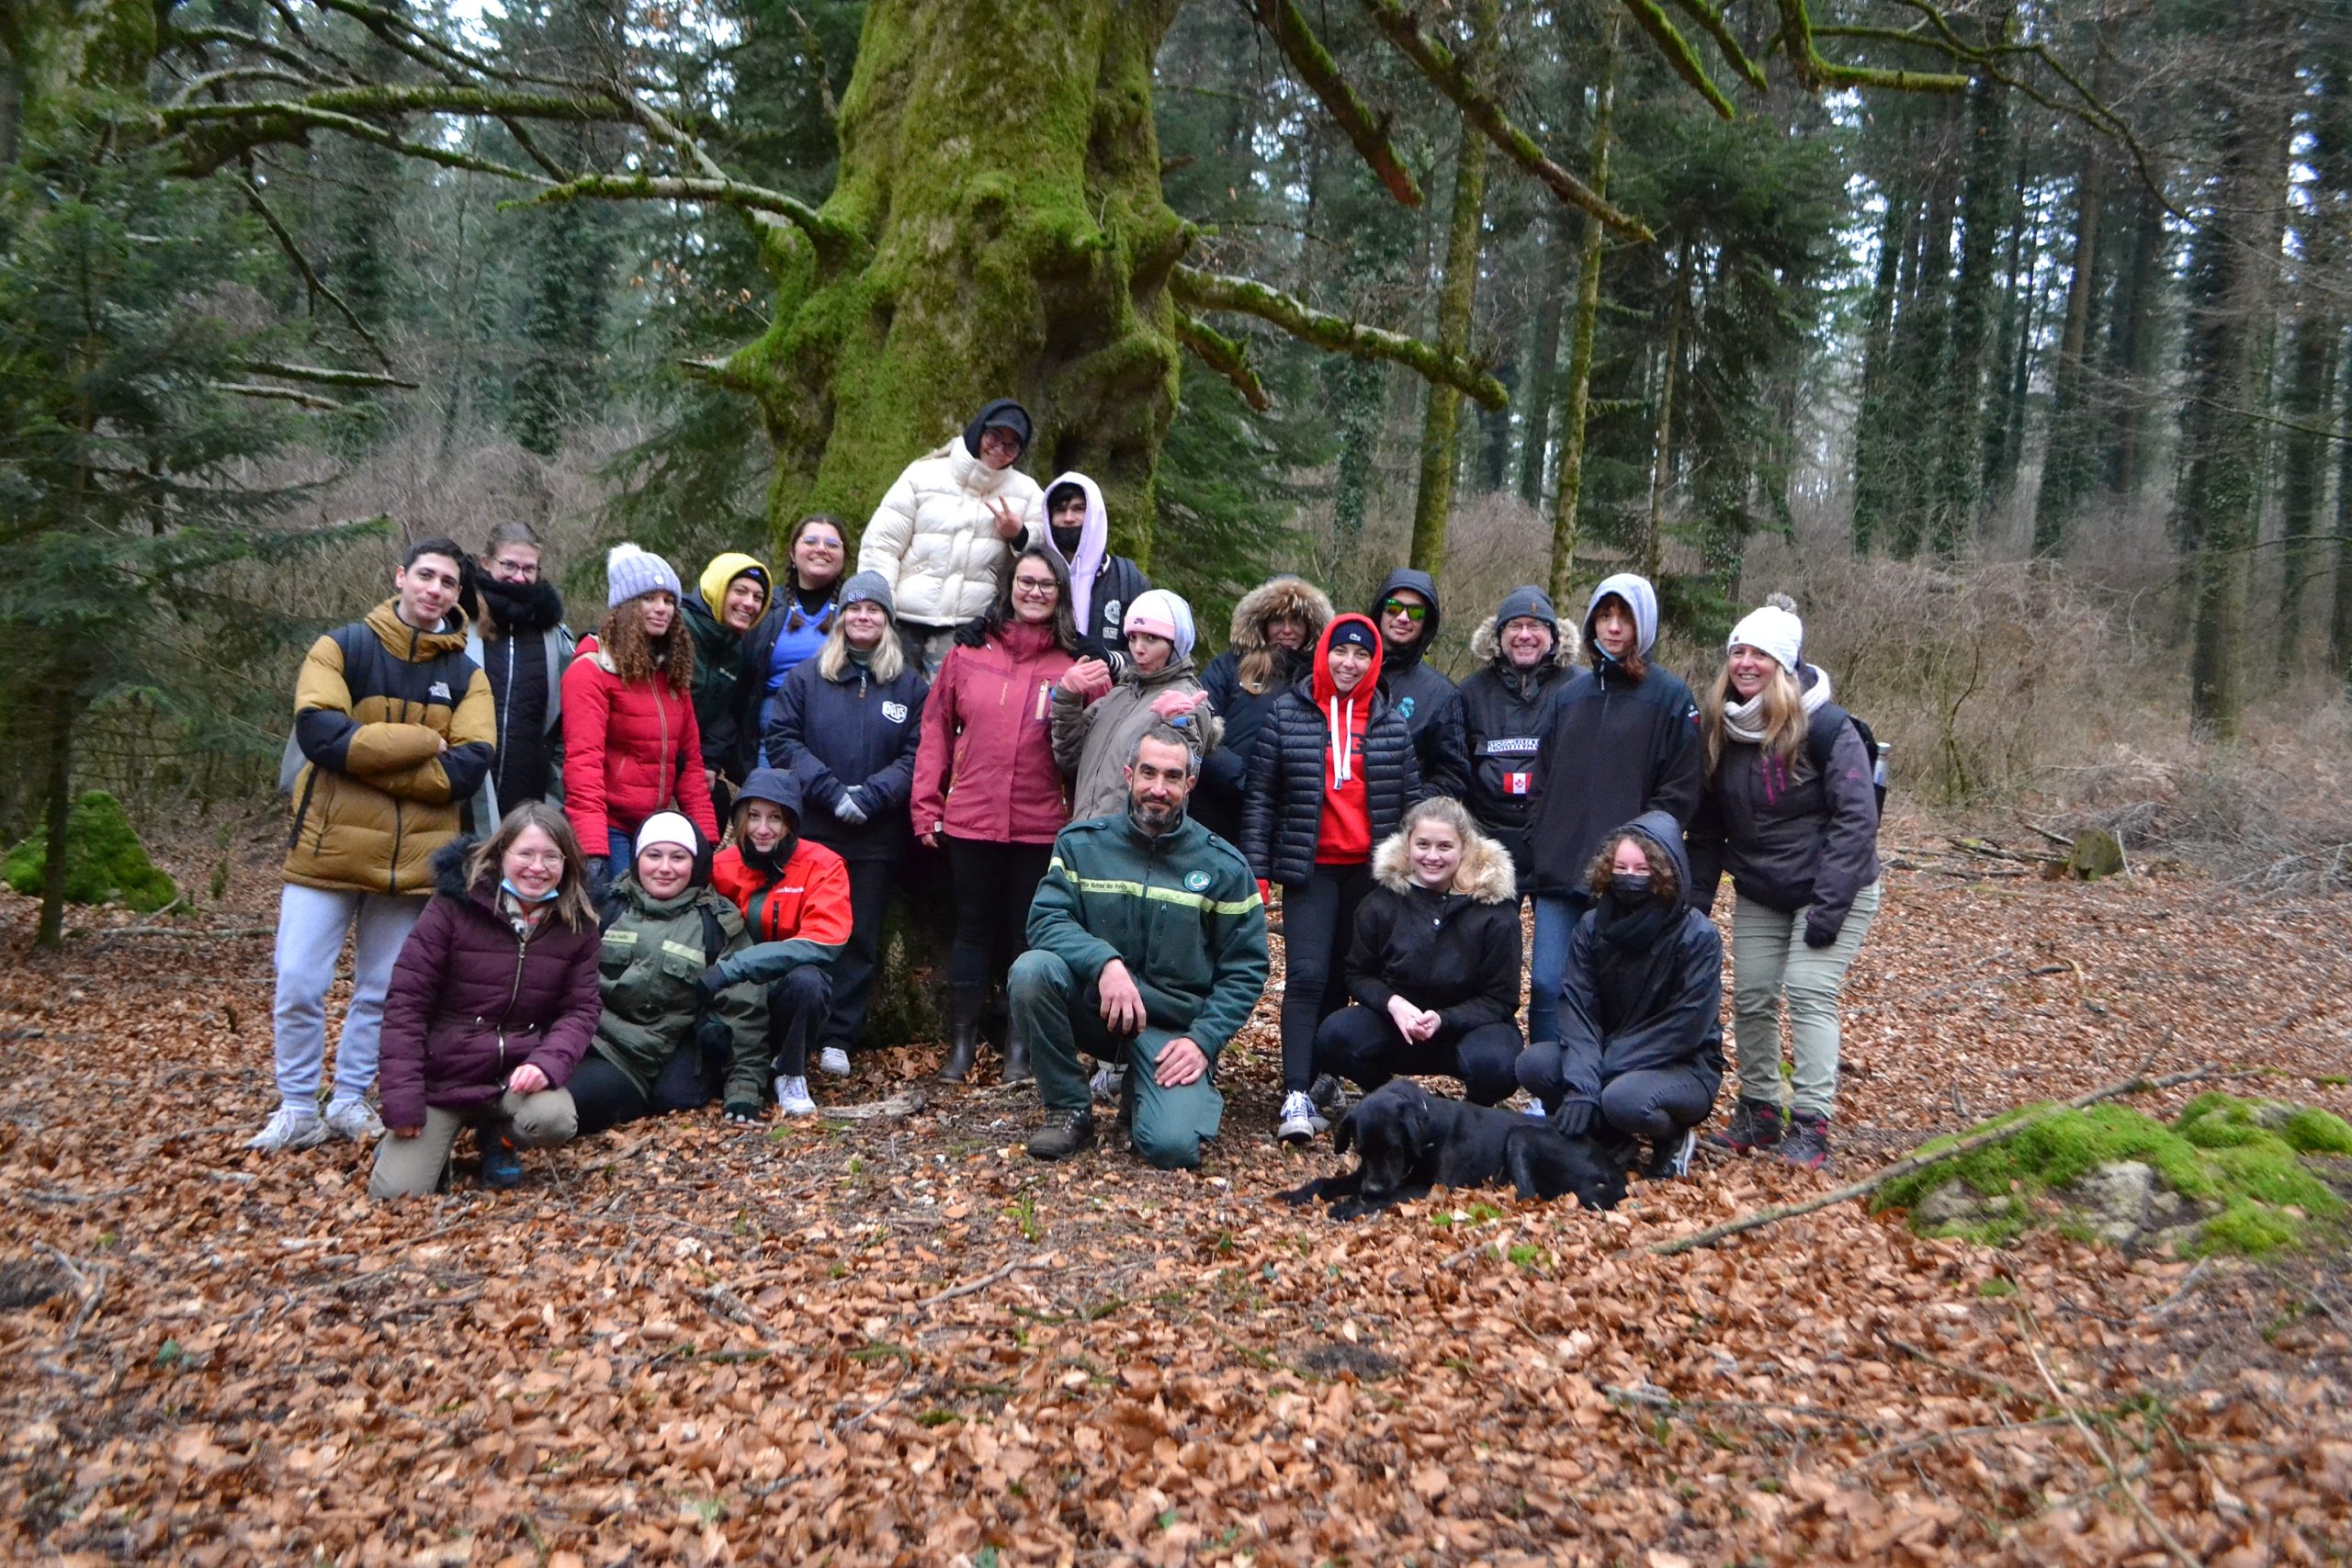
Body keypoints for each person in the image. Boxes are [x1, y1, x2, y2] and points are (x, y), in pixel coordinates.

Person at [250, 536, 496, 1153]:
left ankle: (351, 1098)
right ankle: (299, 1105)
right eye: (426, 575)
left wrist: (366, 752)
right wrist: (420, 744)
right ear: (401, 577)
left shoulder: (469, 675)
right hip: (325, 850)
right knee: (300, 980)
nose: (435, 589)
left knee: (383, 989)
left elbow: (468, 767)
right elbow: (320, 734)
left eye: (448, 583)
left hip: (414, 863)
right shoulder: (342, 646)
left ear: (458, 595)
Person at [1016, 725, 1269, 1168]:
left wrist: (1204, 1041)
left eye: (1172, 777)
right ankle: (1069, 1109)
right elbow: (1046, 920)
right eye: (1148, 773)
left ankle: (1145, 1090)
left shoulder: (1224, 866)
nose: (1158, 788)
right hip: (1098, 1007)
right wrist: (1104, 963)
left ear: (1190, 784)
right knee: (1031, 971)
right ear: (1128, 774)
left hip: (1172, 1028)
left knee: (1171, 1149)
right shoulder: (1081, 844)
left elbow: (1246, 969)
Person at [1689, 595, 1882, 1172]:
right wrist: (1697, 903)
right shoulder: (1722, 726)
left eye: (1760, 655)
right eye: (1738, 652)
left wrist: (1827, 909)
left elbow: (1857, 818)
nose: (1746, 663)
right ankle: (1759, 1111)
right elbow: (1707, 827)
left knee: (1808, 989)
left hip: (1835, 886)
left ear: (1786, 665)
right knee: (1750, 995)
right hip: (1763, 887)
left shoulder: (1825, 724)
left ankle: (1812, 1123)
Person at [1242, 614, 1421, 1144]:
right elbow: (1261, 798)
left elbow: (1412, 805)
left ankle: (1325, 1076)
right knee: (1306, 975)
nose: (1349, 663)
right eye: (1340, 652)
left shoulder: (1390, 724)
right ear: (1324, 654)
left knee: (1346, 979)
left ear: (1374, 662)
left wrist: (1417, 873)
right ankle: (1295, 1091)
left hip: (1370, 874)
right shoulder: (1287, 715)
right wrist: (1258, 869)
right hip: (1310, 867)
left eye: (1361, 655)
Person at [910, 544, 1082, 1083]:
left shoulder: (1073, 666)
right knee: (973, 930)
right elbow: (935, 731)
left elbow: (1084, 750)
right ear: (1010, 587)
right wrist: (926, 805)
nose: (1034, 592)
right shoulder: (968, 654)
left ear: (1060, 595)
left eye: (1046, 585)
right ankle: (960, 1047)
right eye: (1026, 582)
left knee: (1025, 935)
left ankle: (1019, 1049)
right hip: (973, 817)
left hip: (1039, 824)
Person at [369, 804, 602, 1197]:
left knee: (555, 1119)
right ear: (501, 853)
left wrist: (546, 1063)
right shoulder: (451, 907)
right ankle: (422, 1147)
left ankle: (500, 1140)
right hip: (443, 1077)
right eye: (525, 854)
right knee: (395, 1194)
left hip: (513, 1078)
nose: (537, 867)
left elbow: (581, 1009)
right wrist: (402, 1099)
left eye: (551, 857)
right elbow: (406, 1005)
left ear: (567, 863)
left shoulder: (577, 922)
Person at [1522, 572, 1702, 1051]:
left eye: (1624, 617)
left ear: (1643, 625)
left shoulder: (1670, 697)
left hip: (1628, 879)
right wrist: (1541, 835)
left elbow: (1680, 791)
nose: (1614, 628)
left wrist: (1644, 855)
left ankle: (1603, 1091)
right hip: (1560, 869)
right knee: (1547, 984)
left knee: (1612, 992)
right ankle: (1548, 1095)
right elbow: (1541, 777)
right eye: (1605, 615)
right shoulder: (1569, 695)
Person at [763, 571, 928, 1075]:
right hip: (815, 829)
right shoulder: (809, 677)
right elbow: (783, 739)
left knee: (860, 937)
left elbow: (919, 752)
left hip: (876, 836)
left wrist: (874, 796)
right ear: (841, 617)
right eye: (855, 608)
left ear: (887, 620)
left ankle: (839, 1036)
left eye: (874, 610)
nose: (863, 617)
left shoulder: (909, 685)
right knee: (805, 928)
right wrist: (830, 792)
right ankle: (794, 1030)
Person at [1517, 811, 1724, 1180]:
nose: (1630, 877)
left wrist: (1595, 1076)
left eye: (1642, 869)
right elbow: (1577, 1007)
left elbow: (1686, 1027)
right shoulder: (1592, 926)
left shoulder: (1697, 936)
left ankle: (1672, 1137)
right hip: (1608, 1054)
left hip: (1681, 1064)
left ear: (1665, 873)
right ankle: (1608, 1137)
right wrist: (1583, 1081)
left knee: (1623, 1100)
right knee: (1535, 1065)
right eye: (1621, 867)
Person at [1312, 797, 1522, 1110]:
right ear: (1407, 844)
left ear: (1465, 848)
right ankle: (1390, 1096)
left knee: (1500, 1064)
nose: (1432, 856)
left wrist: (1444, 1019)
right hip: (1397, 1026)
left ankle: (1472, 1111)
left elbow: (1501, 999)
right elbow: (1357, 972)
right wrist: (1393, 1004)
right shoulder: (1382, 901)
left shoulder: (1495, 911)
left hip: (1467, 1029)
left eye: (1445, 847)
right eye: (1423, 845)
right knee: (1335, 1035)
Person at [570, 813, 768, 1134]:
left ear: (696, 863)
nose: (664, 868)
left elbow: (744, 1011)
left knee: (670, 1097)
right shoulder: (605, 908)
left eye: (678, 857)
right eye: (653, 855)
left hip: (643, 1060)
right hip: (587, 1042)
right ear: (637, 859)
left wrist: (743, 1092)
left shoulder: (716, 925)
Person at [562, 544, 719, 892]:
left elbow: (690, 766)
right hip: (610, 828)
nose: (662, 608)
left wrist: (706, 840)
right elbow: (582, 766)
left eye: (669, 600)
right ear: (625, 606)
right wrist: (592, 849)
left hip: (657, 829)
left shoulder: (672, 676)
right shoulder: (590, 671)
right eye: (650, 598)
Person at [706, 769, 854, 1117]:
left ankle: (790, 1071)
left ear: (790, 822)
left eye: (775, 818)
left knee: (809, 981)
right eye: (753, 816)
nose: (762, 829)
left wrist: (737, 967)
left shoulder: (824, 865)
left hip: (780, 990)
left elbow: (825, 940)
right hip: (734, 995)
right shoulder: (719, 866)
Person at [861, 399, 1046, 676]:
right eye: (994, 437)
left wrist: (1018, 535)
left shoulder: (1027, 492)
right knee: (891, 703)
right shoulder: (923, 474)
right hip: (903, 617)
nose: (998, 449)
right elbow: (882, 545)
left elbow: (1042, 554)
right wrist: (880, 607)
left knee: (947, 711)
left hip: (968, 626)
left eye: (1011, 445)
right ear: (978, 431)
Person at [1051, 588, 1216, 825]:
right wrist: (1067, 696)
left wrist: (1179, 725)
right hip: (1085, 836)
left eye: (1152, 638)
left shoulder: (1186, 699)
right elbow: (1071, 759)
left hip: (1133, 847)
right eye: (1132, 637)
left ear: (1176, 644)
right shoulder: (1120, 693)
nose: (1138, 648)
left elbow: (1178, 782)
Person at [1194, 576, 1333, 847]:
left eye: (1296, 621)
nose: (1287, 630)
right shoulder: (1229, 666)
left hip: (1280, 816)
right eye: (1277, 621)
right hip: (1214, 803)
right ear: (1262, 624)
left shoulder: (1317, 679)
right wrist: (1240, 779)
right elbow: (1200, 721)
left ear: (1310, 626)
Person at [1456, 585, 1577, 881]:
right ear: (1498, 636)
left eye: (1535, 625)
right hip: (1486, 846)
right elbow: (1455, 768)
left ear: (1553, 636)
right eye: (1514, 626)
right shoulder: (1470, 692)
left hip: (1558, 844)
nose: (1524, 635)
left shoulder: (1579, 690)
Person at [466, 521, 574, 818]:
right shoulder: (462, 623)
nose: (519, 577)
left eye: (529, 569)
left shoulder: (555, 637)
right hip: (463, 797)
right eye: (509, 566)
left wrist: (554, 804)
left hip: (529, 806)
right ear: (486, 563)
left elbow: (563, 728)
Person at [740, 514, 849, 775]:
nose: (821, 549)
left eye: (832, 544)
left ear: (844, 556)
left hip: (837, 729)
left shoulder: (857, 607)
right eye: (810, 541)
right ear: (792, 552)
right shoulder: (766, 605)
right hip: (772, 732)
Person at [680, 551, 771, 821]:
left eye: (757, 597)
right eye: (740, 591)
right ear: (718, 589)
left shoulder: (737, 648)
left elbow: (727, 713)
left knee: (716, 808)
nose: (749, 603)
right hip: (649, 755)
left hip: (692, 761)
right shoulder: (676, 627)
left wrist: (710, 760)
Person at [1369, 569, 1469, 800]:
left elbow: (1453, 775)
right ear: (1379, 611)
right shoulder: (1346, 672)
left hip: (1399, 829)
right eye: (1394, 607)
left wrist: (1410, 810)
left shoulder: (1441, 693)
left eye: (1415, 612)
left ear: (1426, 622)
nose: (1403, 618)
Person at [1028, 471, 1149, 660]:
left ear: (1095, 513)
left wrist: (1111, 660)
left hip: (1107, 686)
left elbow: (1150, 655)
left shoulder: (1126, 579)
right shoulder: (1032, 574)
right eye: (1060, 510)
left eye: (1078, 509)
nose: (1068, 518)